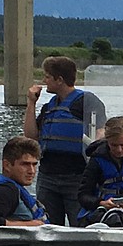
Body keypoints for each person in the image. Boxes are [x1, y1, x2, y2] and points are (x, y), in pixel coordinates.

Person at [23, 55, 107, 226]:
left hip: (76, 176)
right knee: (49, 227)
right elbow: (31, 136)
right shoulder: (50, 107)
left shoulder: (86, 101)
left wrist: (95, 148)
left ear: (59, 79)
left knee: (80, 224)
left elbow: (101, 130)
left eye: (47, 76)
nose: (44, 81)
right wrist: (31, 103)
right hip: (48, 176)